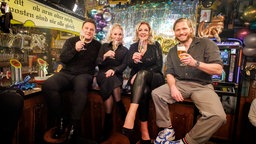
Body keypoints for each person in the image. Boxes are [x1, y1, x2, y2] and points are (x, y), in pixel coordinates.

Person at [152, 18, 226, 144]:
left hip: (202, 86)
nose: (181, 32)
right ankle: (168, 129)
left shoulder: (206, 43)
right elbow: (169, 73)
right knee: (157, 94)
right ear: (174, 33)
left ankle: (187, 141)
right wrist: (173, 87)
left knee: (218, 116)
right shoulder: (172, 50)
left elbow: (218, 70)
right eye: (178, 30)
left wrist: (195, 63)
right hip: (180, 84)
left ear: (191, 29)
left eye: (184, 28)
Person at [42, 19, 101, 143]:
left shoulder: (97, 45)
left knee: (81, 86)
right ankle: (62, 120)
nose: (89, 31)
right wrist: (75, 49)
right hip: (67, 73)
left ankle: (73, 126)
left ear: (94, 32)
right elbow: (63, 58)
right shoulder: (71, 41)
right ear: (82, 29)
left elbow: (99, 62)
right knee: (48, 85)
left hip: (84, 75)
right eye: (87, 28)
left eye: (91, 29)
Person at [121, 21, 164, 144]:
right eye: (141, 30)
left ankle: (131, 114)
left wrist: (140, 74)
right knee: (144, 92)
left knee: (143, 74)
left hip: (154, 78)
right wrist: (133, 60)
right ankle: (145, 134)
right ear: (137, 32)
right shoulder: (133, 46)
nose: (143, 32)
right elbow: (129, 65)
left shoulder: (155, 45)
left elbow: (158, 66)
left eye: (146, 30)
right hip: (138, 81)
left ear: (149, 32)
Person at [96, 23, 128, 142]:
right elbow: (98, 62)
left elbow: (124, 65)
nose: (117, 36)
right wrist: (104, 56)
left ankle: (107, 123)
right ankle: (120, 106)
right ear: (111, 35)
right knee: (109, 79)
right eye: (115, 34)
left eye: (120, 34)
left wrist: (114, 70)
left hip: (116, 75)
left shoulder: (125, 50)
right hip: (103, 74)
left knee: (112, 79)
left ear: (122, 36)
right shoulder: (104, 46)